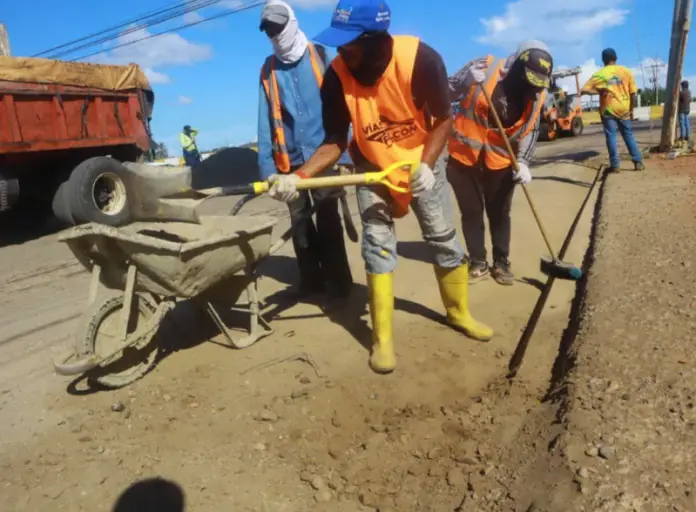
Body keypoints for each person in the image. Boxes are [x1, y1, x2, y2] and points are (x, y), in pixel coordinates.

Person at [266, 0, 493, 374]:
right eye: (338, 43)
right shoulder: (337, 75)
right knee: (376, 244)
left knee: (442, 236)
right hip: (372, 166)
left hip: (422, 160)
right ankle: (382, 340)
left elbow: (442, 119)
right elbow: (335, 140)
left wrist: (426, 165)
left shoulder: (421, 59)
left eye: (349, 43)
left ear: (374, 40)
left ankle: (459, 313)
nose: (340, 51)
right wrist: (299, 177)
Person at [258, 0, 353, 303]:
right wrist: (269, 172)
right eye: (269, 31)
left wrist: (347, 156)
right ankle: (312, 282)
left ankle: (340, 283)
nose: (274, 35)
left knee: (328, 219)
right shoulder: (268, 69)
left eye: (277, 27)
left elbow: (345, 108)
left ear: (291, 23)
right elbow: (263, 122)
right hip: (289, 160)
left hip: (324, 155)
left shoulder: (322, 55)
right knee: (299, 224)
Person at [447, 40, 553, 285]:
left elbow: (531, 130)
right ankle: (478, 261)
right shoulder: (483, 66)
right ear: (516, 65)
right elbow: (445, 90)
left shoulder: (538, 96)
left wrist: (524, 162)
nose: (531, 89)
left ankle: (501, 262)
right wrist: (464, 82)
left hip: (501, 161)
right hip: (464, 157)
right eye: (528, 81)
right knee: (472, 212)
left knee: (500, 212)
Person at [581, 48, 644, 173]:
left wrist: (599, 90)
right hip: (624, 108)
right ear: (616, 58)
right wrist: (631, 110)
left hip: (608, 109)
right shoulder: (626, 71)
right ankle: (638, 162)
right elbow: (632, 93)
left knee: (611, 136)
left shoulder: (600, 74)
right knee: (628, 135)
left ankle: (615, 165)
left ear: (603, 60)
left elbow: (584, 90)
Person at [679, 80, 691, 144]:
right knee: (687, 123)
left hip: (682, 110)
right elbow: (690, 100)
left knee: (682, 124)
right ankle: (687, 136)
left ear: (683, 86)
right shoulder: (689, 92)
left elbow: (678, 100)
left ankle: (682, 136)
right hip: (687, 110)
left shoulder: (681, 93)